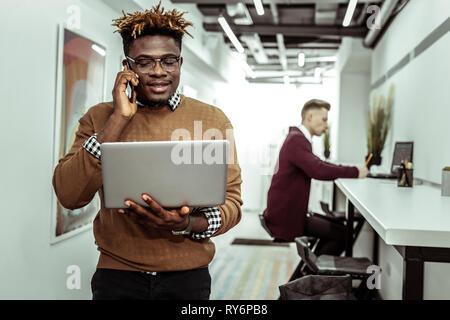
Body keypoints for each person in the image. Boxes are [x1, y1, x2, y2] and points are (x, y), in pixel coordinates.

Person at [52, 3, 242, 300]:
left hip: (187, 279)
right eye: (144, 62)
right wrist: (118, 120)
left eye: (168, 61)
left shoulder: (213, 120)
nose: (158, 72)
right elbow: (69, 194)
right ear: (126, 66)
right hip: (117, 277)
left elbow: (232, 203)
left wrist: (188, 224)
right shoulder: (99, 118)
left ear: (180, 62)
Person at [263, 99, 368, 256]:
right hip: (286, 216)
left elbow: (317, 164)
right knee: (343, 234)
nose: (326, 126)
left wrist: (350, 170)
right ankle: (312, 275)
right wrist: (355, 172)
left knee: (340, 228)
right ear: (310, 116)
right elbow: (318, 170)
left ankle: (312, 272)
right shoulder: (296, 140)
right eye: (324, 120)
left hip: (290, 212)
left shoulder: (297, 137)